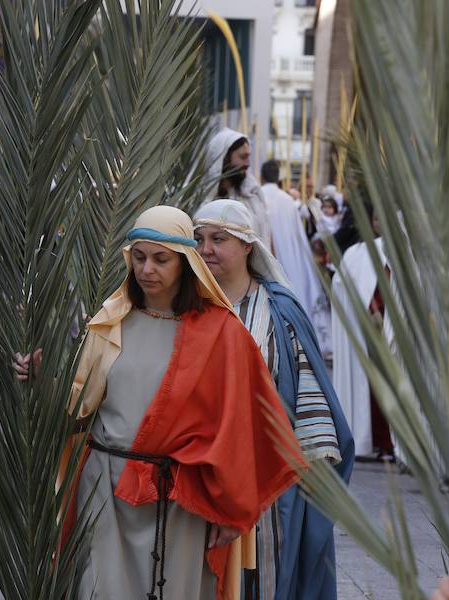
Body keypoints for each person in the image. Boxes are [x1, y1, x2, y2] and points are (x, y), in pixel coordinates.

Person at [19, 206, 305, 600]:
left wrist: (233, 510)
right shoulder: (111, 322)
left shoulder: (222, 333)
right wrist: (40, 379)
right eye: (139, 257)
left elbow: (244, 428)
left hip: (180, 503)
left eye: (160, 259)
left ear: (185, 262)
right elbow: (79, 406)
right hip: (105, 491)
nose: (146, 269)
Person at [194, 199, 354, 600]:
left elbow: (306, 392)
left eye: (219, 238)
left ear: (249, 245)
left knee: (264, 580)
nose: (206, 248)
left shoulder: (279, 310)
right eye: (199, 239)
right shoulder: (190, 307)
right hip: (198, 475)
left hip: (268, 478)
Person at [330, 232, 395, 460]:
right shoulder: (360, 252)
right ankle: (382, 442)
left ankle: (389, 443)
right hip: (375, 332)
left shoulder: (366, 251)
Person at [259, 160, 330, 354]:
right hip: (289, 260)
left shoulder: (257, 197)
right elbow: (297, 235)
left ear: (262, 176)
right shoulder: (287, 200)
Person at [205, 128, 272, 249]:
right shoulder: (204, 201)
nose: (248, 163)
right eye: (242, 157)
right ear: (224, 159)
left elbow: (266, 239)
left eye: (248, 157)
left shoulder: (252, 198)